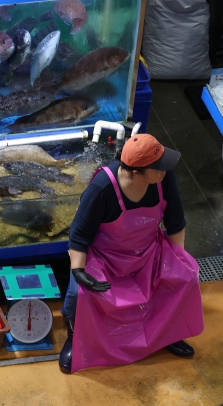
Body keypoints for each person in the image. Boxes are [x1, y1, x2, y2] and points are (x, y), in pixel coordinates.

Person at [58, 134, 204, 373]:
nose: (165, 170)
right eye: (159, 166)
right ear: (136, 173)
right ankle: (75, 335)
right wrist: (79, 271)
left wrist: (177, 262)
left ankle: (170, 332)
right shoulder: (101, 189)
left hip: (147, 251)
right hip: (104, 256)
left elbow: (176, 222)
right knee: (80, 293)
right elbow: (79, 237)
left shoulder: (163, 178)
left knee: (185, 278)